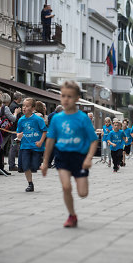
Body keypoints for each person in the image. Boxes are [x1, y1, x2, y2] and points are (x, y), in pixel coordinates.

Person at [41, 81, 98, 228]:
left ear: (77, 98)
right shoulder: (57, 119)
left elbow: (93, 140)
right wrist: (45, 162)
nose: (66, 99)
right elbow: (50, 140)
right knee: (66, 187)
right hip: (63, 156)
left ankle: (82, 179)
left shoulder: (83, 118)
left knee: (82, 193)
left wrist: (89, 158)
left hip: (79, 158)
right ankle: (72, 216)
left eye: (70, 96)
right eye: (63, 96)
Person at [16, 98, 47, 192]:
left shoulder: (38, 119)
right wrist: (19, 136)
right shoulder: (21, 120)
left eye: (27, 106)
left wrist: (41, 142)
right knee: (25, 167)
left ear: (33, 108)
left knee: (34, 166)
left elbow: (45, 131)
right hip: (25, 146)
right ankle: (30, 184)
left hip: (36, 147)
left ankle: (41, 161)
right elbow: (18, 132)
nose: (24, 108)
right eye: (23, 106)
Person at [8, 92, 23, 171]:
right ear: (19, 98)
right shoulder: (15, 106)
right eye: (21, 97)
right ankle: (12, 165)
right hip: (15, 130)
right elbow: (16, 119)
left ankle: (12, 164)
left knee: (14, 146)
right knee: (14, 146)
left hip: (14, 130)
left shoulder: (12, 105)